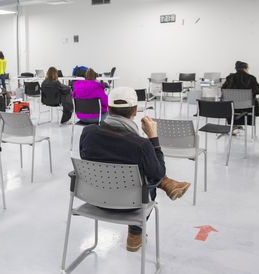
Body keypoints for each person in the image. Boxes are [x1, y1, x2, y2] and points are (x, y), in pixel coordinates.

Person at [79, 87, 191, 252]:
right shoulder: (141, 144)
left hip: (95, 200)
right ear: (135, 111)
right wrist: (153, 137)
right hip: (130, 206)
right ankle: (135, 233)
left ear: (108, 109)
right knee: (151, 176)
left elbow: (85, 158)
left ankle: (168, 184)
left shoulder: (87, 133)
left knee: (144, 170)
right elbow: (158, 172)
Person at [222, 61, 259, 126]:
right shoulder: (251, 78)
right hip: (248, 107)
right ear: (244, 69)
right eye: (248, 68)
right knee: (253, 101)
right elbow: (257, 91)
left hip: (232, 107)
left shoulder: (230, 77)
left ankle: (234, 126)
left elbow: (223, 89)